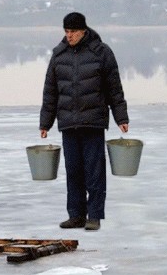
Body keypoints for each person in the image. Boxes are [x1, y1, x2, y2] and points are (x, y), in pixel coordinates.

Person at [39, 12, 129, 231]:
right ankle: (76, 215)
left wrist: (121, 117)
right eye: (66, 32)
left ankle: (95, 215)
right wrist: (45, 123)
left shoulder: (102, 52)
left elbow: (114, 88)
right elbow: (50, 92)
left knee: (94, 170)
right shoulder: (58, 55)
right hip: (68, 121)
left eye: (73, 32)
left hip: (93, 121)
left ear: (83, 31)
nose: (69, 36)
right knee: (74, 171)